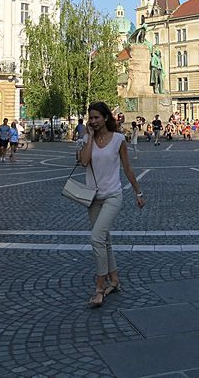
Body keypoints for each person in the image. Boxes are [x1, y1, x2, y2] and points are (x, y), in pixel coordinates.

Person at [77, 102, 145, 308]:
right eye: (91, 118)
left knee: (96, 238)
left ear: (106, 117)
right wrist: (88, 138)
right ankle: (114, 280)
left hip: (113, 196)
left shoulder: (119, 140)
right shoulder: (88, 139)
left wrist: (138, 192)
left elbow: (127, 168)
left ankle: (99, 287)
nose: (93, 121)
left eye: (97, 117)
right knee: (105, 241)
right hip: (92, 198)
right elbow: (84, 162)